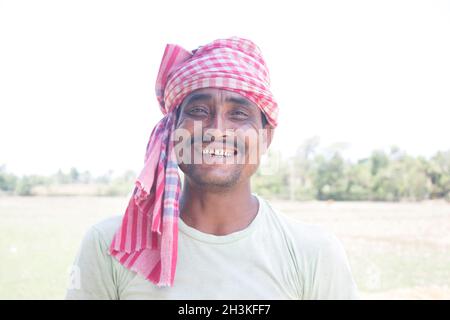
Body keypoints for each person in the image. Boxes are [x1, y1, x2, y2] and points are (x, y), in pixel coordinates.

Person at [65, 37, 359, 300]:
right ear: (172, 131)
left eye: (239, 114)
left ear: (265, 137)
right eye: (198, 111)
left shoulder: (313, 252)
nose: (217, 130)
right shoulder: (112, 246)